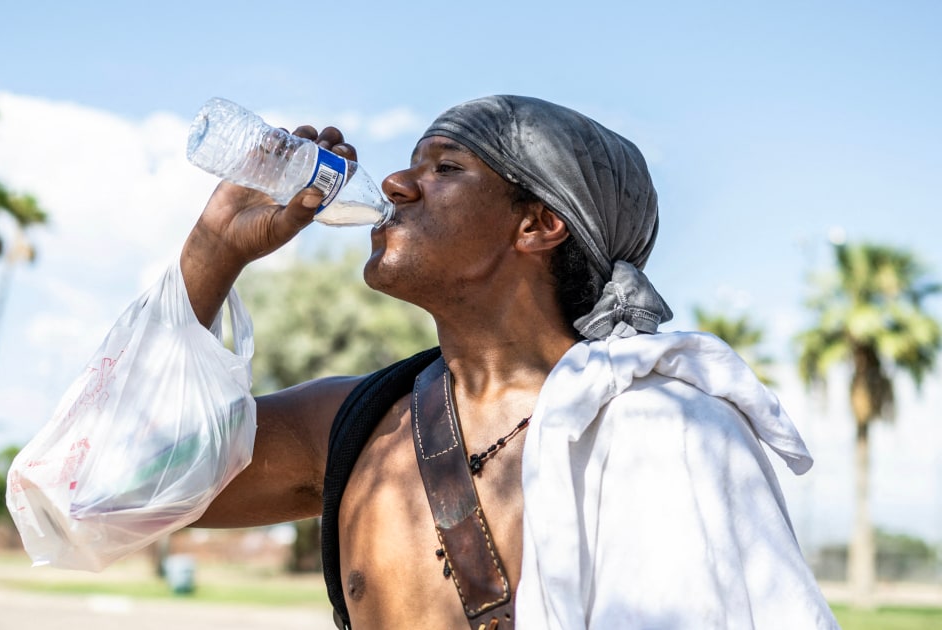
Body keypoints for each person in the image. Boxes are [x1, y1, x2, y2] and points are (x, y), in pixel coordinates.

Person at [173, 95, 838, 629]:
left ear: (537, 225)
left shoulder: (668, 430)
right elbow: (117, 485)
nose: (398, 183)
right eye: (412, 164)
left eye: (446, 168)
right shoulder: (348, 427)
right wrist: (215, 251)